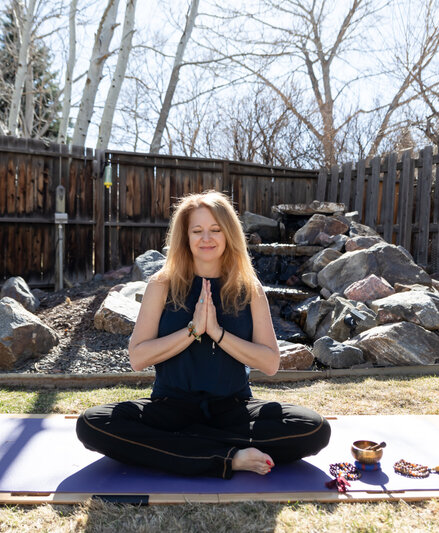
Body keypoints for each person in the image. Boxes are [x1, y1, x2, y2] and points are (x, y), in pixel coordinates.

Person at [77, 190, 331, 479]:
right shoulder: (161, 285)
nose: (206, 238)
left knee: (315, 428)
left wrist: (218, 333)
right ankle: (229, 457)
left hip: (233, 412)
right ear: (185, 237)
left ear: (229, 234)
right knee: (92, 423)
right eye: (197, 231)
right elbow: (137, 358)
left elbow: (270, 363)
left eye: (215, 230)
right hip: (170, 410)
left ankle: (186, 448)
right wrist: (193, 331)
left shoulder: (250, 288)